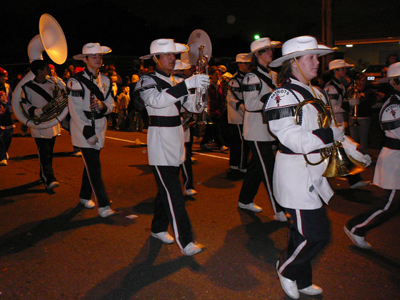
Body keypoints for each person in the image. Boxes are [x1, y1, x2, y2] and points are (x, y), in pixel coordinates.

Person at [264, 36, 371, 299]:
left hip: (314, 171)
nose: (317, 62)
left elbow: (333, 129)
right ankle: (287, 269)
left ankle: (302, 278)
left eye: (316, 56)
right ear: (293, 63)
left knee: (302, 232)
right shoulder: (281, 95)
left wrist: (351, 147)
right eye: (310, 57)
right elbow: (290, 137)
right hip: (295, 175)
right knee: (316, 234)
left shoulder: (317, 91)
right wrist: (328, 136)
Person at [135, 38, 209, 256]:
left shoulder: (176, 80)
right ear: (155, 58)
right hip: (159, 140)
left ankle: (158, 228)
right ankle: (186, 241)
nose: (172, 59)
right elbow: (157, 101)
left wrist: (200, 93)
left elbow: (193, 107)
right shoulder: (146, 80)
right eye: (167, 55)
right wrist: (186, 85)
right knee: (174, 193)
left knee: (166, 190)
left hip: (176, 139)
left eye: (173, 55)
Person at [344, 62, 400, 249]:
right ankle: (356, 227)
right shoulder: (393, 107)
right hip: (395, 159)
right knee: (390, 203)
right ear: (394, 83)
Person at [237, 37, 286, 222]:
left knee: (257, 169)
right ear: (257, 55)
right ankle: (279, 210)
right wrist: (273, 95)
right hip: (256, 131)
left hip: (269, 129)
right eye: (266, 50)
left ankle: (244, 199)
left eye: (271, 49)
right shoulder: (251, 77)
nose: (271, 52)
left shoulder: (274, 74)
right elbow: (249, 104)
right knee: (269, 170)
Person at [67, 43, 116, 218]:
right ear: (86, 59)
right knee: (94, 166)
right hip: (83, 128)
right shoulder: (75, 81)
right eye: (94, 56)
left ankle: (84, 196)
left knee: (91, 164)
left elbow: (111, 104)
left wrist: (104, 106)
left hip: (101, 126)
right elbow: (75, 110)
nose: (98, 59)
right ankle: (103, 205)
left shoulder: (107, 80)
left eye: (100, 56)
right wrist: (87, 132)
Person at [325, 59, 370, 189]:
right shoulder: (331, 87)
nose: (345, 71)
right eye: (343, 69)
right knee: (340, 151)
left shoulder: (341, 85)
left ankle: (353, 180)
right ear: (336, 71)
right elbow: (331, 108)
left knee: (342, 152)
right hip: (334, 124)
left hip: (339, 123)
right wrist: (348, 104)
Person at [21, 60, 65, 189]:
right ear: (39, 71)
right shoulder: (27, 86)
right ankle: (49, 179)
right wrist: (36, 111)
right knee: (44, 151)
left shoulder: (53, 83)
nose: (50, 70)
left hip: (52, 122)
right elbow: (24, 104)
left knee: (49, 152)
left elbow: (62, 99)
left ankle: (44, 174)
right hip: (39, 123)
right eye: (47, 68)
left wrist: (62, 86)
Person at [227, 53, 251, 172]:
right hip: (237, 115)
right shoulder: (234, 79)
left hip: (244, 113)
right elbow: (231, 99)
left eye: (247, 63)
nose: (246, 65)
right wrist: (243, 107)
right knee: (241, 141)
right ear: (238, 64)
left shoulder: (248, 77)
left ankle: (235, 163)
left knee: (240, 141)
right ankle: (241, 165)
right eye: (244, 63)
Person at [199, 66, 229, 152]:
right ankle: (220, 145)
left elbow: (221, 97)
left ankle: (204, 142)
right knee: (215, 127)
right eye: (216, 74)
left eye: (218, 74)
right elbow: (204, 97)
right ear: (211, 75)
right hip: (210, 110)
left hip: (218, 109)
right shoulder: (208, 85)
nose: (218, 76)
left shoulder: (219, 85)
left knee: (210, 128)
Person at [0, 68, 15, 166]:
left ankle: (4, 151)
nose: (6, 78)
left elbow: (12, 98)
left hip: (6, 114)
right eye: (4, 76)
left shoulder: (8, 87)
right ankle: (2, 157)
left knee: (8, 134)